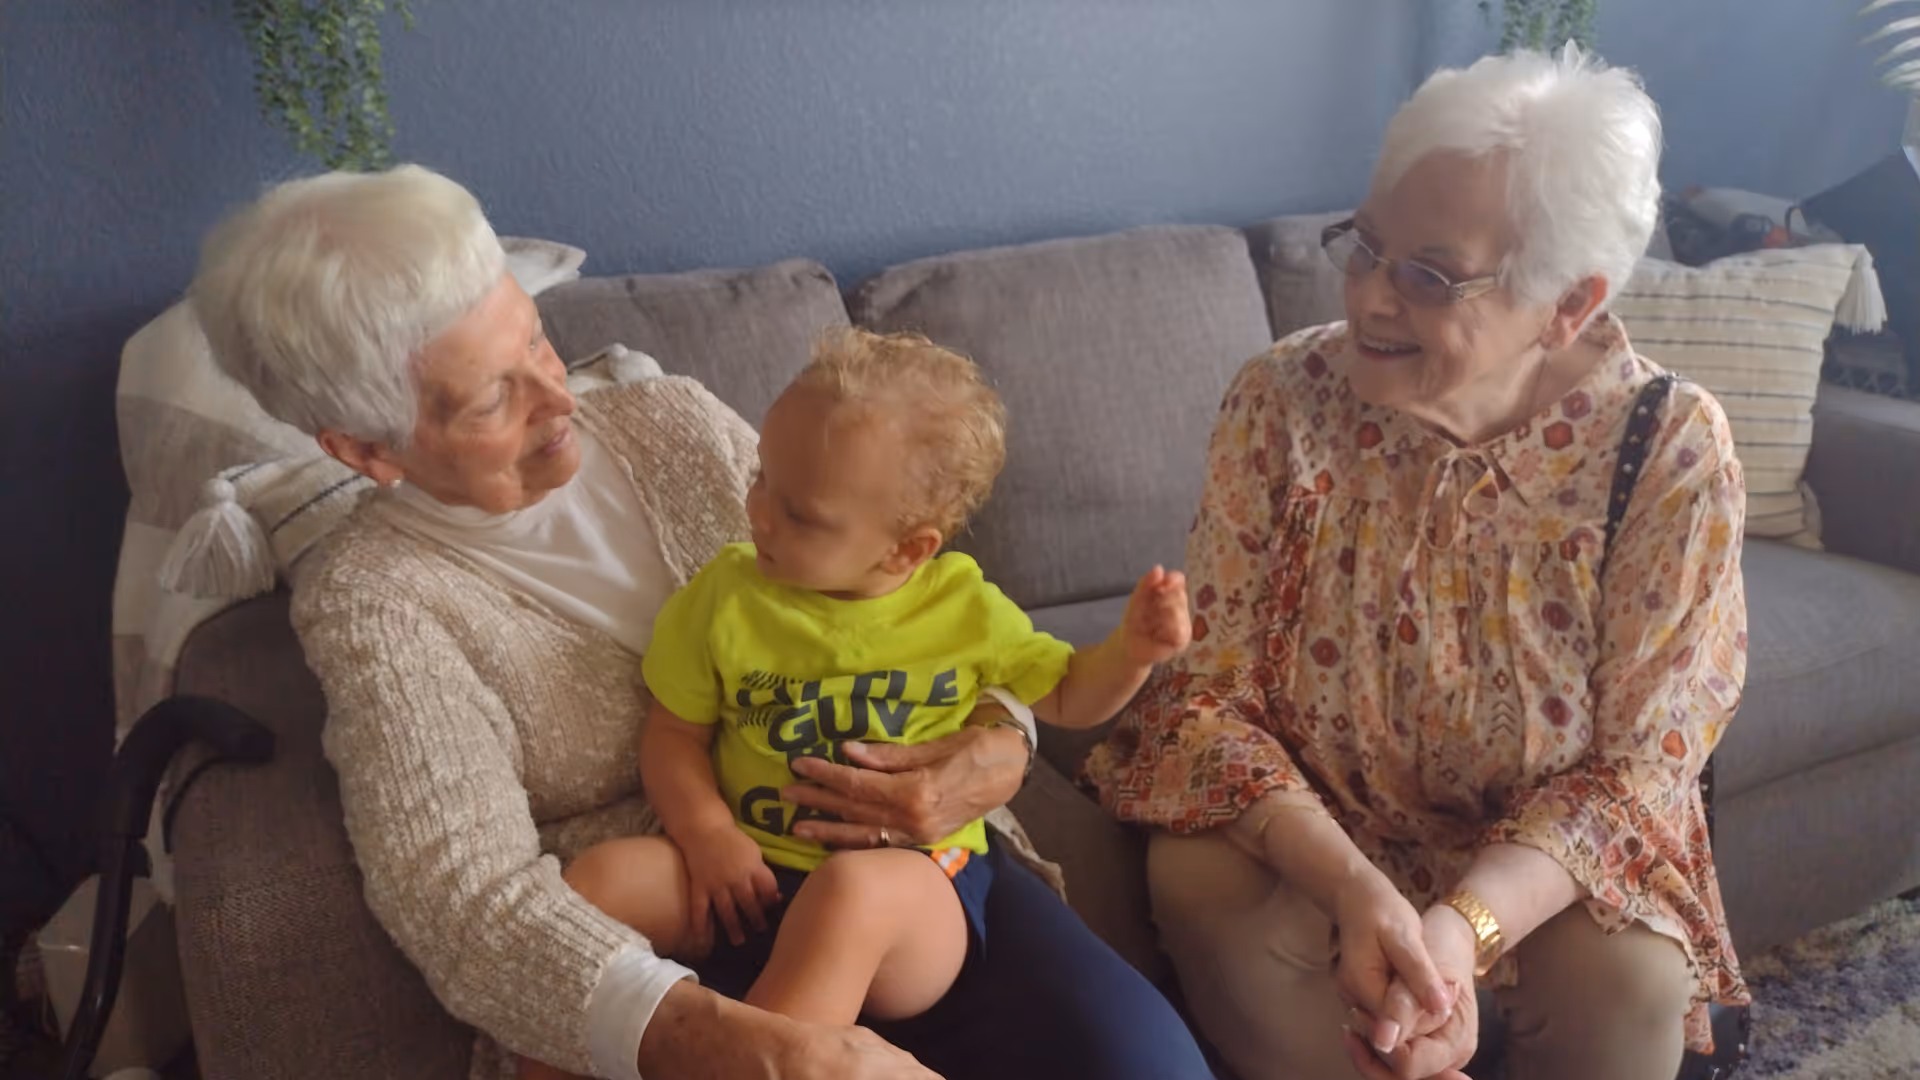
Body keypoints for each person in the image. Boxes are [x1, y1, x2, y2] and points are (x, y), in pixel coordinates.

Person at [189, 165, 1214, 1080]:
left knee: (1147, 1063)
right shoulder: (377, 598)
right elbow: (461, 901)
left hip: (900, 872)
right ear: (368, 451)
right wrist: (744, 1044)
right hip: (675, 935)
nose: (560, 398)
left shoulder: (669, 422)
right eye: (494, 397)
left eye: (538, 337)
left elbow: (921, 616)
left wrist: (997, 743)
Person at [1083, 46, 1749, 1080]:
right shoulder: (1281, 400)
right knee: (1196, 871)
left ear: (1568, 306)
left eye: (1430, 276)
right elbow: (1208, 698)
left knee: (1634, 977)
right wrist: (1357, 890)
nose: (1371, 300)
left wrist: (1461, 928)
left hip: (1543, 867)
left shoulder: (1666, 450)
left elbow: (1643, 767)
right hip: (1322, 836)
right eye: (1367, 247)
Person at [558, 328, 1192, 1043]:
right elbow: (674, 735)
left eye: (800, 514)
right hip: (752, 874)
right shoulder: (727, 595)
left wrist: (1133, 652)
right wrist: (706, 833)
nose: (759, 511)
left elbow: (1072, 694)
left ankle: (768, 1056)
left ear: (908, 547)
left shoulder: (964, 608)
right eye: (763, 476)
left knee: (850, 895)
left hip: (911, 901)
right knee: (598, 881)